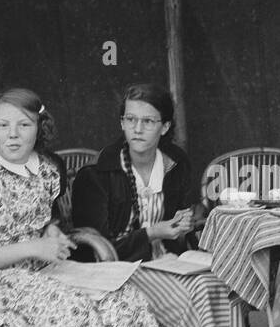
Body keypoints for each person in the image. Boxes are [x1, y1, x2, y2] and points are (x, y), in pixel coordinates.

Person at [0, 87, 157, 327]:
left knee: (126, 302)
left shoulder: (47, 170)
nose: (13, 135)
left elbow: (43, 217)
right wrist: (33, 247)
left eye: (24, 125)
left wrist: (52, 230)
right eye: (3, 125)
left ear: (39, 128)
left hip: (41, 272)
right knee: (71, 310)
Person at [71, 83, 201, 262]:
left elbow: (188, 214)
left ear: (164, 127)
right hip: (117, 270)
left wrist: (184, 222)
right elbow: (94, 250)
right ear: (122, 123)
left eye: (148, 121)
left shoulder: (176, 162)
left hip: (169, 260)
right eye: (131, 119)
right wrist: (152, 233)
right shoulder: (95, 174)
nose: (137, 129)